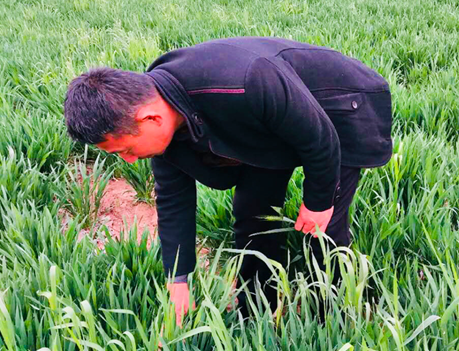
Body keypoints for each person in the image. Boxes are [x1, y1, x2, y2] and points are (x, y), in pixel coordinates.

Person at [63, 36, 392, 325]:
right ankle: (256, 312)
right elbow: (174, 202)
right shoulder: (161, 110)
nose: (130, 160)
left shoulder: (245, 81)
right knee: (253, 216)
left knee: (323, 231)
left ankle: (336, 316)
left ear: (150, 118)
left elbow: (319, 138)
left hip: (341, 105)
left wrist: (318, 202)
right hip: (273, 123)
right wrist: (178, 280)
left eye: (126, 149)